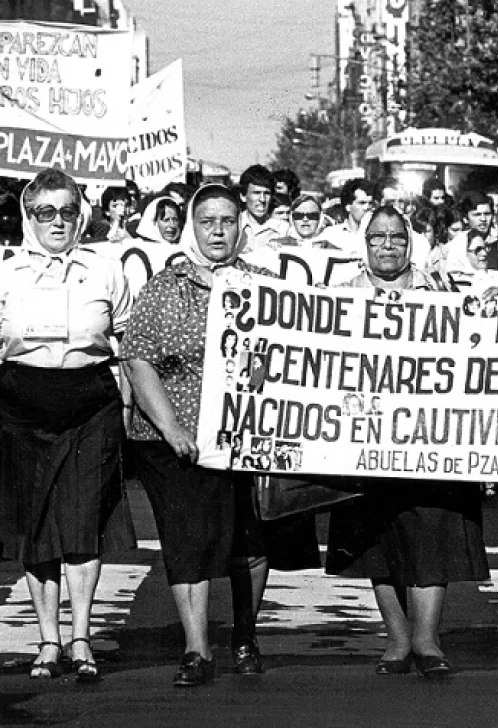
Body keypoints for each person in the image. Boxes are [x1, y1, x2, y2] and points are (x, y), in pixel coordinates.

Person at [121, 184, 319, 687]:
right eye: (206, 221)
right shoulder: (167, 286)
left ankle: (246, 636)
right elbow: (137, 357)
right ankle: (196, 648)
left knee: (250, 541)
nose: (217, 230)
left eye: (227, 221)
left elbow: (298, 353)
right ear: (193, 225)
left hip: (246, 438)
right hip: (178, 440)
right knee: (187, 543)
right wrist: (171, 427)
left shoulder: (267, 286)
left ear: (241, 226)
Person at [326, 205, 488, 679]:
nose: (388, 245)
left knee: (433, 535)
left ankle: (427, 638)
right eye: (378, 237)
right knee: (379, 539)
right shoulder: (338, 298)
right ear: (366, 243)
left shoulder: (440, 291)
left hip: (430, 436)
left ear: (410, 242)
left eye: (397, 237)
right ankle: (397, 639)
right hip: (365, 437)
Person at [0, 168, 135, 681]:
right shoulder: (6, 272)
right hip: (21, 405)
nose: (58, 222)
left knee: (81, 523)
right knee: (36, 528)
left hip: (89, 403)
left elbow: (126, 342)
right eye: (45, 212)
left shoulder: (105, 269)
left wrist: (126, 408)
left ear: (82, 215)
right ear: (28, 217)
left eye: (68, 211)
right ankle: (48, 641)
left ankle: (81, 639)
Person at [238, 164, 287, 251]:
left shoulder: (283, 229)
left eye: (267, 193)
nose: (262, 199)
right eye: (256, 193)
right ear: (243, 196)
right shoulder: (233, 226)